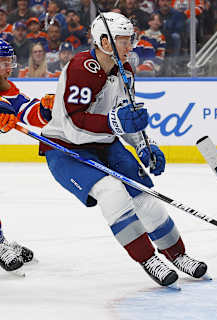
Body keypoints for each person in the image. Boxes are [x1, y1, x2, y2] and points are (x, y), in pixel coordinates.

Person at [40, 12, 208, 287]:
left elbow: (125, 118)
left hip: (105, 144)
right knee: (112, 192)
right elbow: (73, 127)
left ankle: (178, 255)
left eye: (130, 40)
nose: (130, 46)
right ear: (104, 40)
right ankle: (147, 258)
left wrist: (145, 144)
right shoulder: (81, 68)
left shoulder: (125, 72)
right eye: (123, 41)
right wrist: (115, 122)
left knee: (144, 197)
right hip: (67, 149)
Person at [0, 39, 54, 273]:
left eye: (8, 62)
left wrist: (44, 109)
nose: (8, 67)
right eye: (2, 62)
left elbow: (26, 111)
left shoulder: (8, 89)